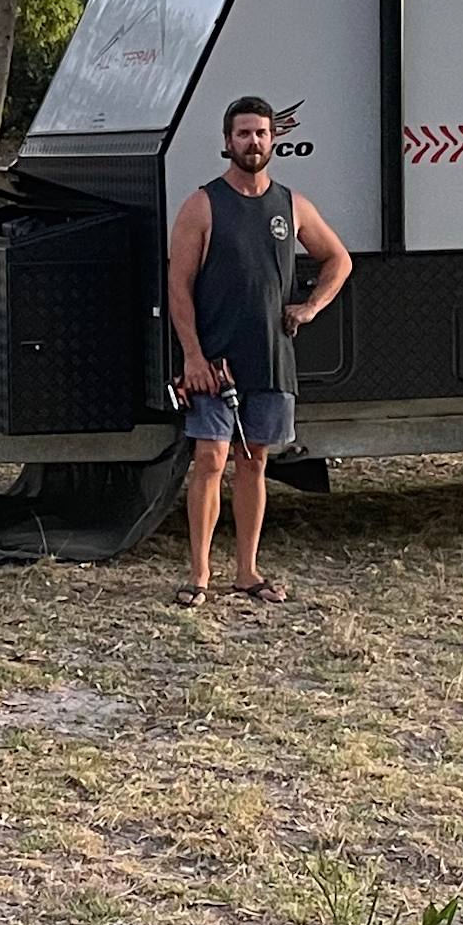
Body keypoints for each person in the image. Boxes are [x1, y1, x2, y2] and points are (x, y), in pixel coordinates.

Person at [165, 95, 353, 604]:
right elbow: (178, 286)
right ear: (227, 142)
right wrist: (192, 357)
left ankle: (247, 572)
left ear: (274, 140)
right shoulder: (202, 205)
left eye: (261, 133)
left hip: (270, 358)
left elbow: (339, 260)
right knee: (210, 459)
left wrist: (310, 308)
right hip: (214, 363)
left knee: (253, 461)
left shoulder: (292, 205)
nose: (253, 142)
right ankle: (199, 576)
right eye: (244, 133)